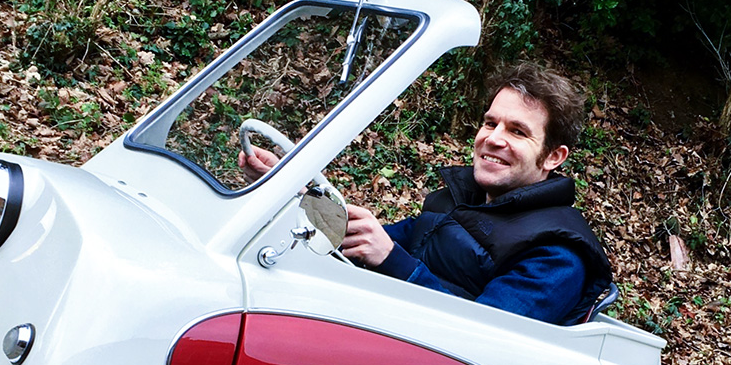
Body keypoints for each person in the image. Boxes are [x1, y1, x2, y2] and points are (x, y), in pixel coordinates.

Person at [240, 61, 612, 325]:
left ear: (552, 156)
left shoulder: (558, 256)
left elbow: (489, 340)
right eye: (490, 122)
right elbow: (361, 243)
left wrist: (392, 261)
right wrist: (296, 190)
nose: (493, 138)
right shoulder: (458, 199)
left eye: (517, 131)